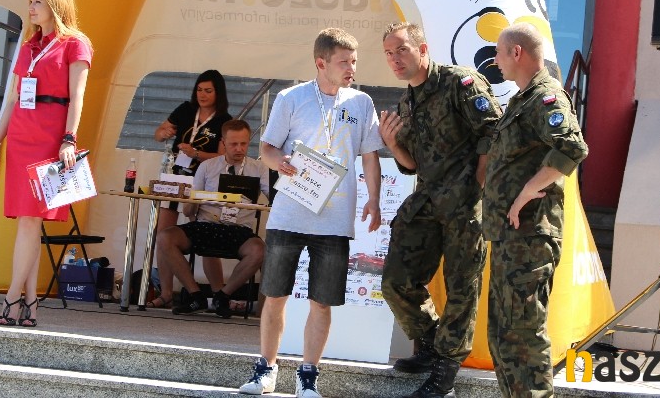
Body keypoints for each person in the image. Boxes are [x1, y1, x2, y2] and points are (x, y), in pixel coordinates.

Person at [238, 28, 383, 398]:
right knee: (275, 295)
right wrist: (280, 162)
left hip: (335, 220)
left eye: (354, 61)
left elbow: (369, 156)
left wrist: (374, 199)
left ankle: (308, 376)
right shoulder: (291, 98)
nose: (351, 68)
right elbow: (266, 148)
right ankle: (266, 369)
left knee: (322, 301)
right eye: (344, 61)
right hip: (289, 213)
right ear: (321, 63)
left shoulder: (361, 102)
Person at [379, 22, 501, 398]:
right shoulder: (406, 102)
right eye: (388, 53)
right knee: (396, 282)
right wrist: (391, 144)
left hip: (465, 204)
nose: (395, 59)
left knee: (462, 287)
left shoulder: (459, 83)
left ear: (422, 49)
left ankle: (445, 369)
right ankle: (432, 343)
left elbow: (493, 131)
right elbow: (411, 163)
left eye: (401, 50)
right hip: (428, 201)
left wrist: (478, 183)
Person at [484, 23, 588, 398]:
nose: (495, 61)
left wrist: (530, 189)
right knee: (504, 335)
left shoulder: (546, 97)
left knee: (523, 334)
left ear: (517, 53)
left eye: (499, 53)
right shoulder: (523, 100)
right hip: (510, 236)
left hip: (530, 236)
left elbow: (572, 147)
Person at [0, 0, 93, 328]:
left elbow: (77, 97)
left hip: (50, 137)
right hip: (20, 135)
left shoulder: (75, 43)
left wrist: (69, 139)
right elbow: (14, 98)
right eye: (30, 1)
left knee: (32, 220)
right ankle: (30, 303)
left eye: (38, 2)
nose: (31, 8)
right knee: (26, 221)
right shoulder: (29, 45)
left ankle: (11, 299)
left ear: (55, 6)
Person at [153, 119, 269, 318]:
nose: (239, 149)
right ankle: (195, 294)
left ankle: (223, 296)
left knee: (260, 250)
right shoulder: (207, 166)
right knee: (165, 237)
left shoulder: (259, 168)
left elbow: (273, 198)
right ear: (223, 142)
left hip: (239, 228)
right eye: (233, 144)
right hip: (206, 225)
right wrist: (193, 201)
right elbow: (189, 211)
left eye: (243, 143)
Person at [148, 69, 232, 307]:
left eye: (208, 91)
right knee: (163, 233)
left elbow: (222, 157)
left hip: (203, 180)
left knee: (206, 236)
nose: (202, 95)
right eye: (199, 90)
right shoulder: (185, 109)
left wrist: (196, 153)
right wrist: (163, 132)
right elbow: (158, 134)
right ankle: (166, 292)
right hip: (175, 177)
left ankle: (218, 294)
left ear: (218, 93)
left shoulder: (224, 120)